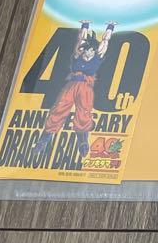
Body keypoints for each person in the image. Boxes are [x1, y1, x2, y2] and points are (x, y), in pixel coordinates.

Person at [33, 20, 116, 162]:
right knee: (59, 108)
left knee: (84, 112)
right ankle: (44, 139)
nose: (89, 53)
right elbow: (81, 39)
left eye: (92, 50)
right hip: (72, 85)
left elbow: (105, 42)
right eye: (87, 50)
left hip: (85, 88)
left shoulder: (97, 57)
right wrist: (85, 25)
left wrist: (110, 27)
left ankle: (83, 140)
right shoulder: (78, 54)